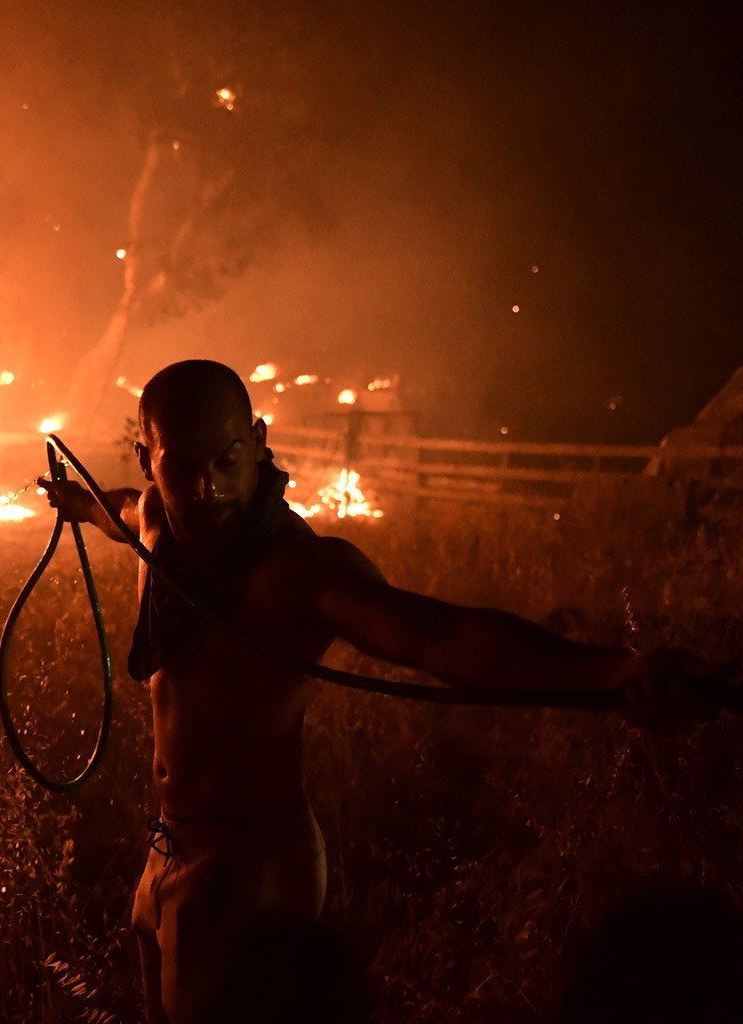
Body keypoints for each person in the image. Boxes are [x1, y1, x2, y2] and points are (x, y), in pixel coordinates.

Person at [37, 359, 735, 1024]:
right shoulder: (159, 519)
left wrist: (615, 672)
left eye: (225, 461)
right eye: (181, 468)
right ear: (147, 459)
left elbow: (442, 636)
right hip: (169, 850)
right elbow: (122, 511)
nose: (208, 490)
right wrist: (77, 501)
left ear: (257, 444)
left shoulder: (302, 573)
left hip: (250, 864)